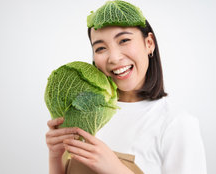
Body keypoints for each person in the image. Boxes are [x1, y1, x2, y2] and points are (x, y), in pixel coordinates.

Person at [45, 0, 207, 173]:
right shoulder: (86, 112)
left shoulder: (177, 123)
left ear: (149, 43)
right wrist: (55, 156)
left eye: (124, 40)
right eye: (100, 48)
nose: (114, 58)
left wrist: (115, 168)